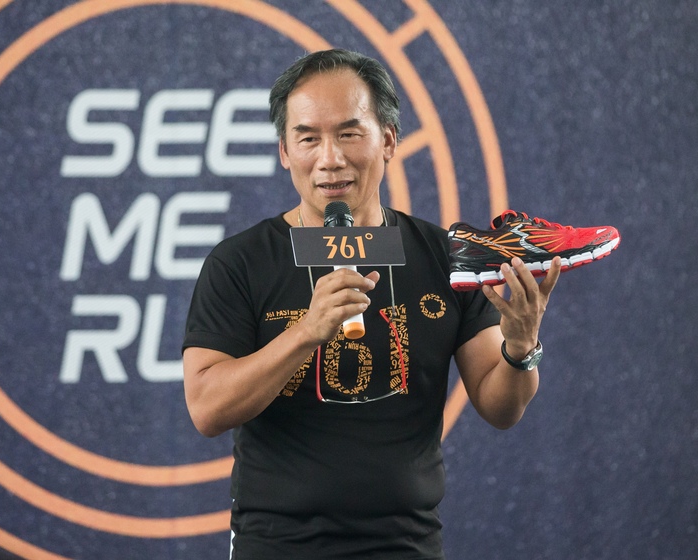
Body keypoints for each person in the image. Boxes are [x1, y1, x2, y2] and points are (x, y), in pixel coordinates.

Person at [182, 49, 560, 559]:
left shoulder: (442, 256)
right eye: (308, 138)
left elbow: (502, 408)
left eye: (349, 134)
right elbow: (207, 409)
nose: (330, 159)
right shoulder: (240, 262)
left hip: (406, 543)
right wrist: (306, 332)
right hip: (276, 544)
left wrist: (521, 347)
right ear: (285, 152)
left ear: (388, 140)